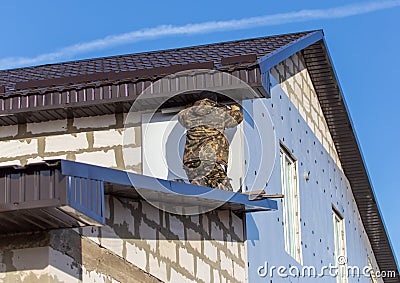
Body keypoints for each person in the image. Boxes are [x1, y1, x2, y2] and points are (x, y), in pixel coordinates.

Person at [177, 97, 243, 191]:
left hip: (191, 160)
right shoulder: (219, 113)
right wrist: (236, 109)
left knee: (199, 190)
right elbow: (236, 118)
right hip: (209, 158)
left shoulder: (187, 115)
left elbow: (180, 115)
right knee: (225, 191)